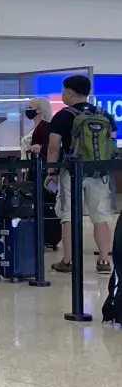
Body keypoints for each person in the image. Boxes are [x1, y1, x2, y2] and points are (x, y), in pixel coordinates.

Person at [46, 74, 116, 275]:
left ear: (69, 93)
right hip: (99, 172)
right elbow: (111, 144)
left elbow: (53, 147)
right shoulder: (104, 114)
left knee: (68, 215)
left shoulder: (63, 116)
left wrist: (51, 172)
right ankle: (104, 260)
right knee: (100, 216)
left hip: (72, 172)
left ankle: (68, 260)